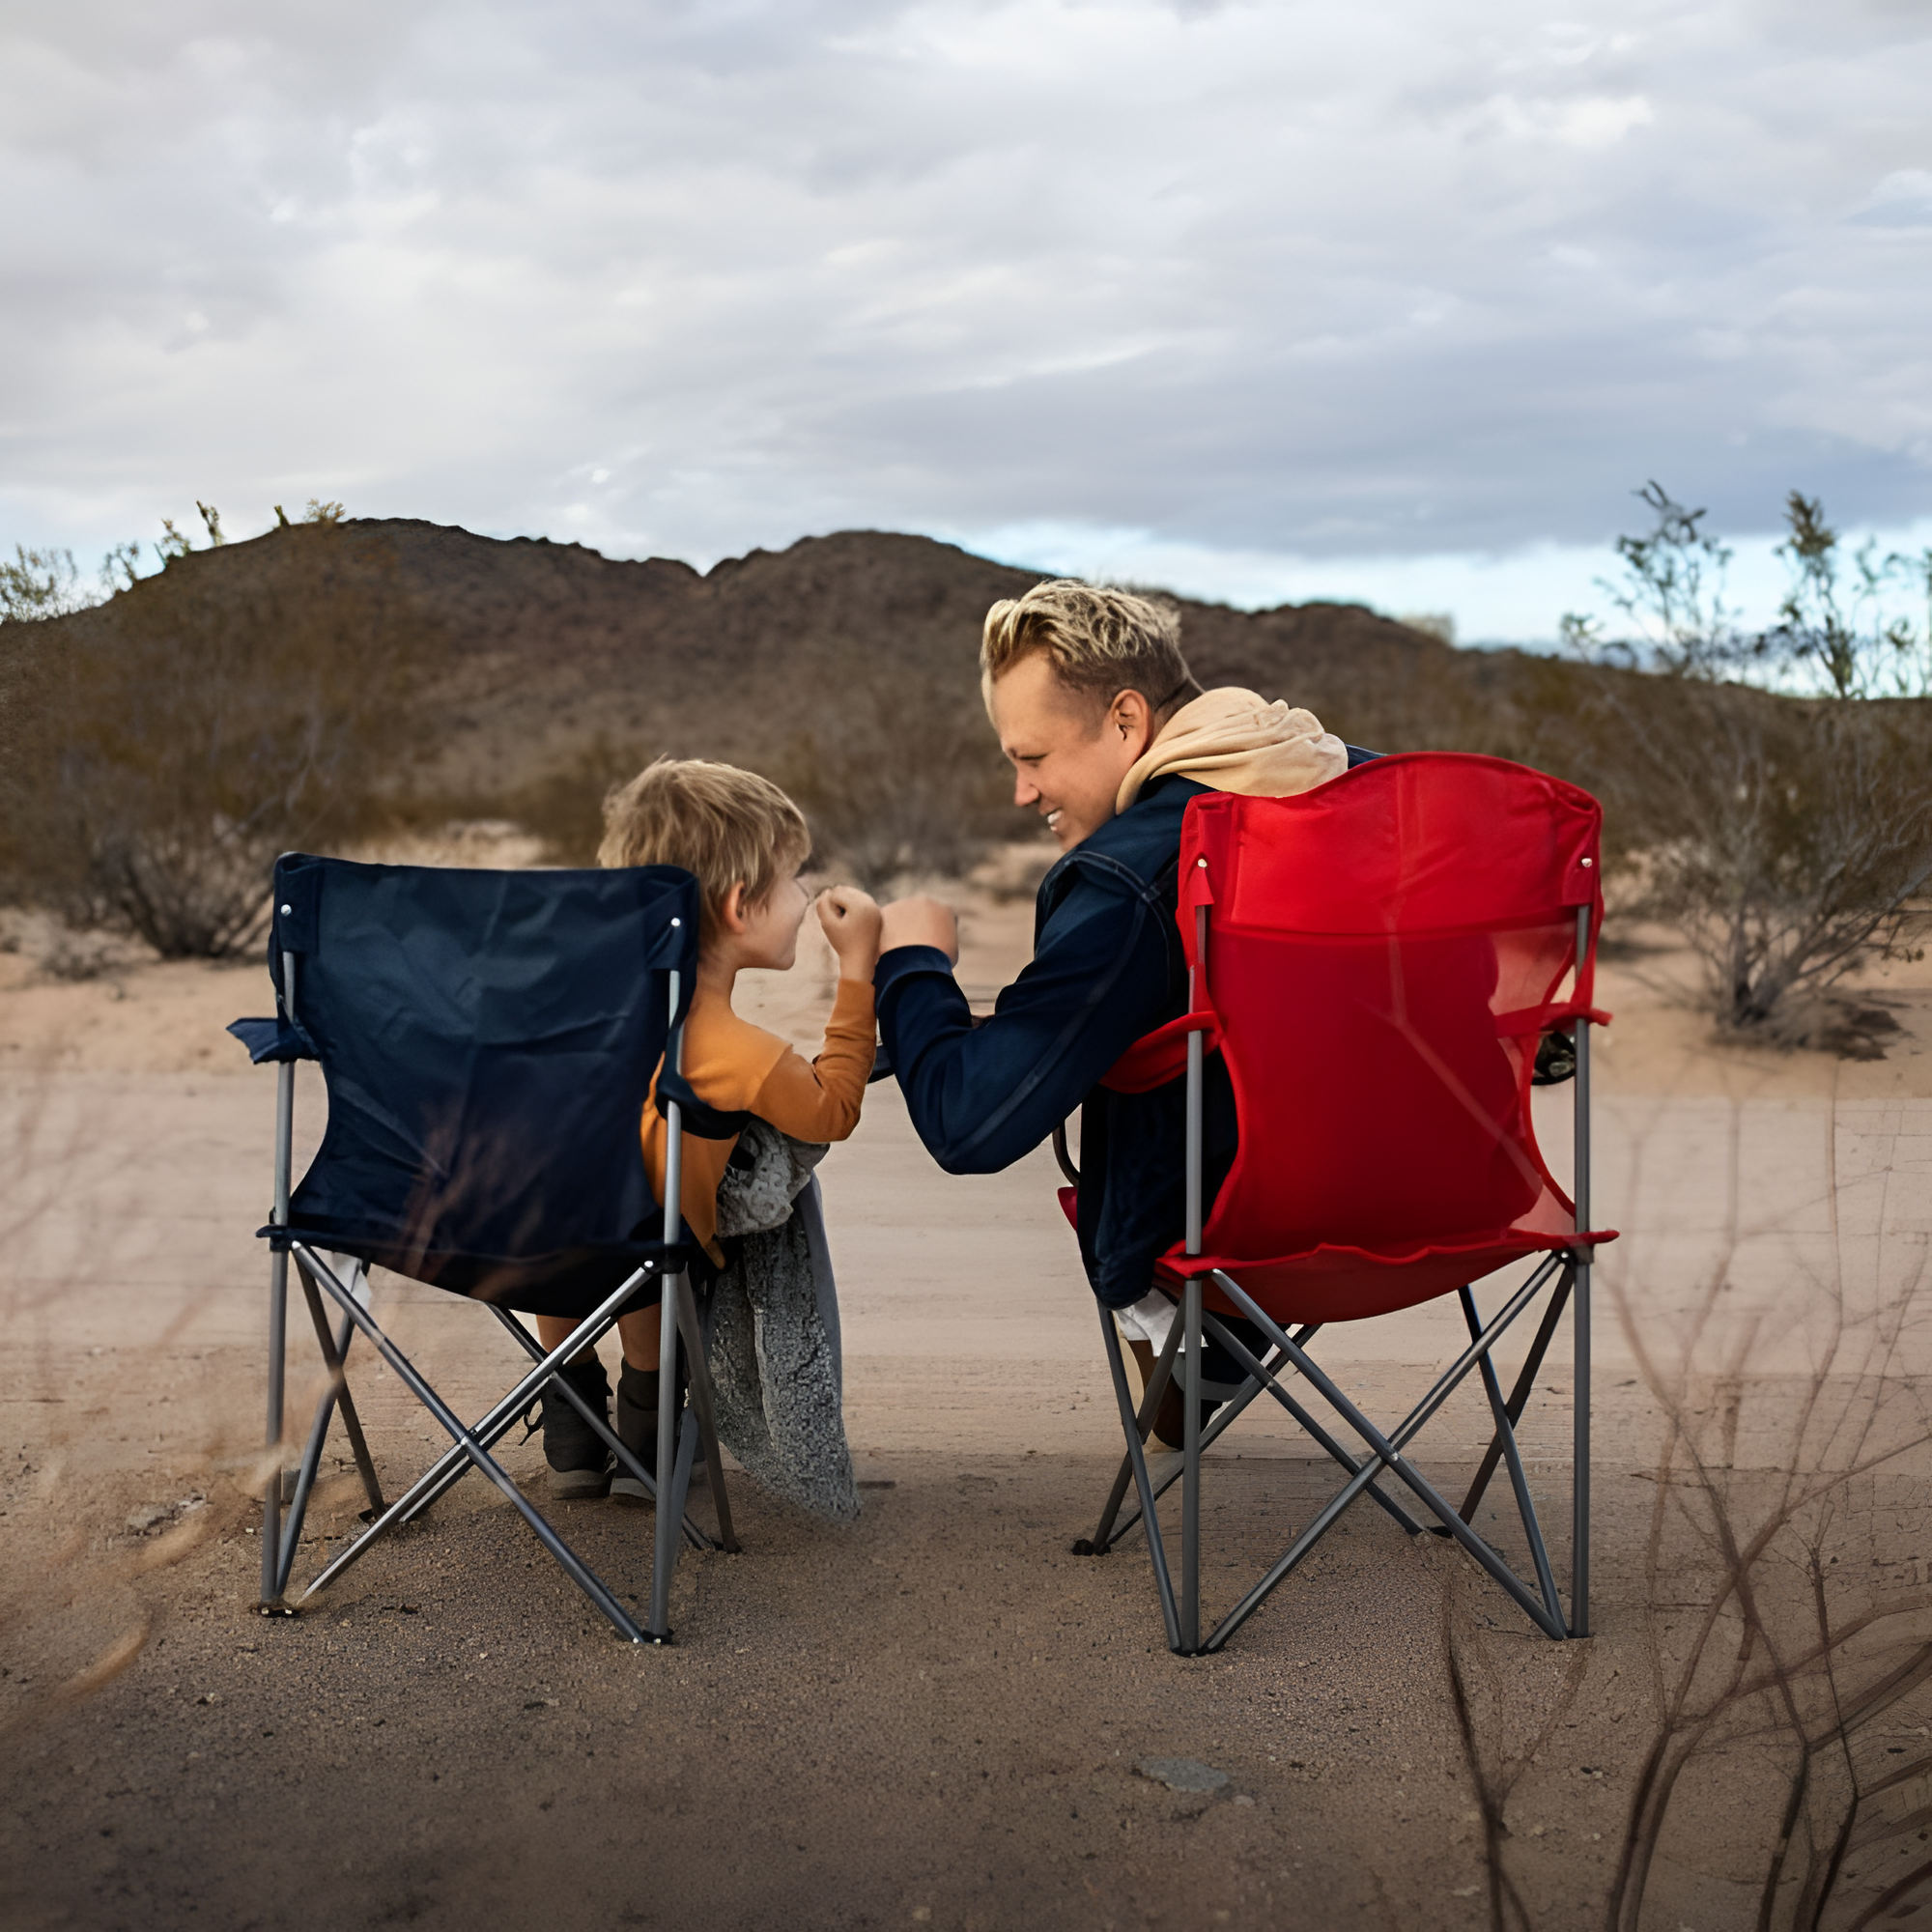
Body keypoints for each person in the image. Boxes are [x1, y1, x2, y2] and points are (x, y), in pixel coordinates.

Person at [873, 581, 1375, 1442]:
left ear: (1126, 722)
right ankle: (1208, 1356)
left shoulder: (1133, 872)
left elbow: (970, 1124)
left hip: (1238, 1233)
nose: (1022, 793)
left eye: (1031, 757)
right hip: (1431, 1206)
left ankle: (1196, 1354)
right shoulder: (1378, 793)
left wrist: (910, 965)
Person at [535, 757, 882, 1500]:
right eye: (794, 879)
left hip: (504, 1241)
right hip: (644, 1259)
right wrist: (859, 971)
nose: (804, 895)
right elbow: (833, 1110)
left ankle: (567, 1417)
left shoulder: (568, 1016)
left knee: (572, 1197)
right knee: (652, 1240)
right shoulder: (734, 1050)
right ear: (738, 907)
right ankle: (649, 1427)